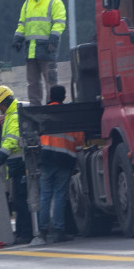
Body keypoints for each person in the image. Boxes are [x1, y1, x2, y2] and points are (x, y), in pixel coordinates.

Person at [13, 0, 67, 105]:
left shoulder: (55, 2)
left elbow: (59, 23)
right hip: (31, 51)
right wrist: (18, 38)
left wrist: (54, 39)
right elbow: (22, 24)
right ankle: (35, 107)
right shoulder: (27, 4)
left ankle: (52, 106)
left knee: (51, 81)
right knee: (32, 84)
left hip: (47, 50)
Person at [38, 84, 83, 243]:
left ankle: (42, 231)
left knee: (45, 196)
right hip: (64, 161)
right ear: (64, 97)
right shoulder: (69, 115)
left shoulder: (43, 113)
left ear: (50, 96)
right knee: (59, 196)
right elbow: (78, 142)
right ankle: (58, 230)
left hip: (46, 159)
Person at [0, 84, 31, 241]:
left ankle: (25, 233)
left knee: (22, 201)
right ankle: (21, 232)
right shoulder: (12, 114)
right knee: (19, 201)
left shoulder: (14, 116)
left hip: (20, 165)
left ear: (4, 102)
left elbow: (11, 142)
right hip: (17, 166)